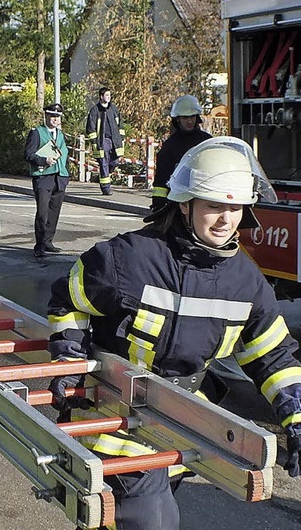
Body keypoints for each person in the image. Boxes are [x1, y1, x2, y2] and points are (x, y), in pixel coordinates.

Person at [47, 137, 300, 530]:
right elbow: (69, 301)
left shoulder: (245, 282)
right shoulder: (128, 258)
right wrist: (68, 358)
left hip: (183, 424)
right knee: (154, 521)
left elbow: (273, 355)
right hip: (116, 420)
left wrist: (295, 415)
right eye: (214, 205)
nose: (225, 219)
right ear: (186, 204)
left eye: (235, 207)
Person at [151, 94, 212, 212]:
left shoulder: (206, 141)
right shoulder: (170, 145)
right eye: (185, 117)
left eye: (192, 117)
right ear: (178, 119)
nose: (189, 121)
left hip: (202, 198)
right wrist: (158, 205)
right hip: (176, 201)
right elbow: (162, 179)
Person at [24, 102, 70, 258]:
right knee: (42, 213)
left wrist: (66, 176)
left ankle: (48, 241)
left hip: (59, 177)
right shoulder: (37, 133)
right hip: (43, 177)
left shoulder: (61, 135)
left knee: (54, 212)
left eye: (57, 116)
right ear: (46, 116)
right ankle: (40, 245)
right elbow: (28, 155)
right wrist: (44, 161)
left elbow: (65, 155)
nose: (55, 119)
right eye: (52, 116)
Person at [85, 87, 125, 195]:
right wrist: (94, 142)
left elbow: (120, 124)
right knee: (103, 163)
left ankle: (105, 174)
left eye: (109, 95)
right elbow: (91, 127)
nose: (109, 97)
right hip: (102, 141)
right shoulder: (95, 110)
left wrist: (121, 138)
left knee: (114, 162)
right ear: (101, 96)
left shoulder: (113, 109)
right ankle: (106, 188)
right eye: (107, 95)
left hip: (114, 141)